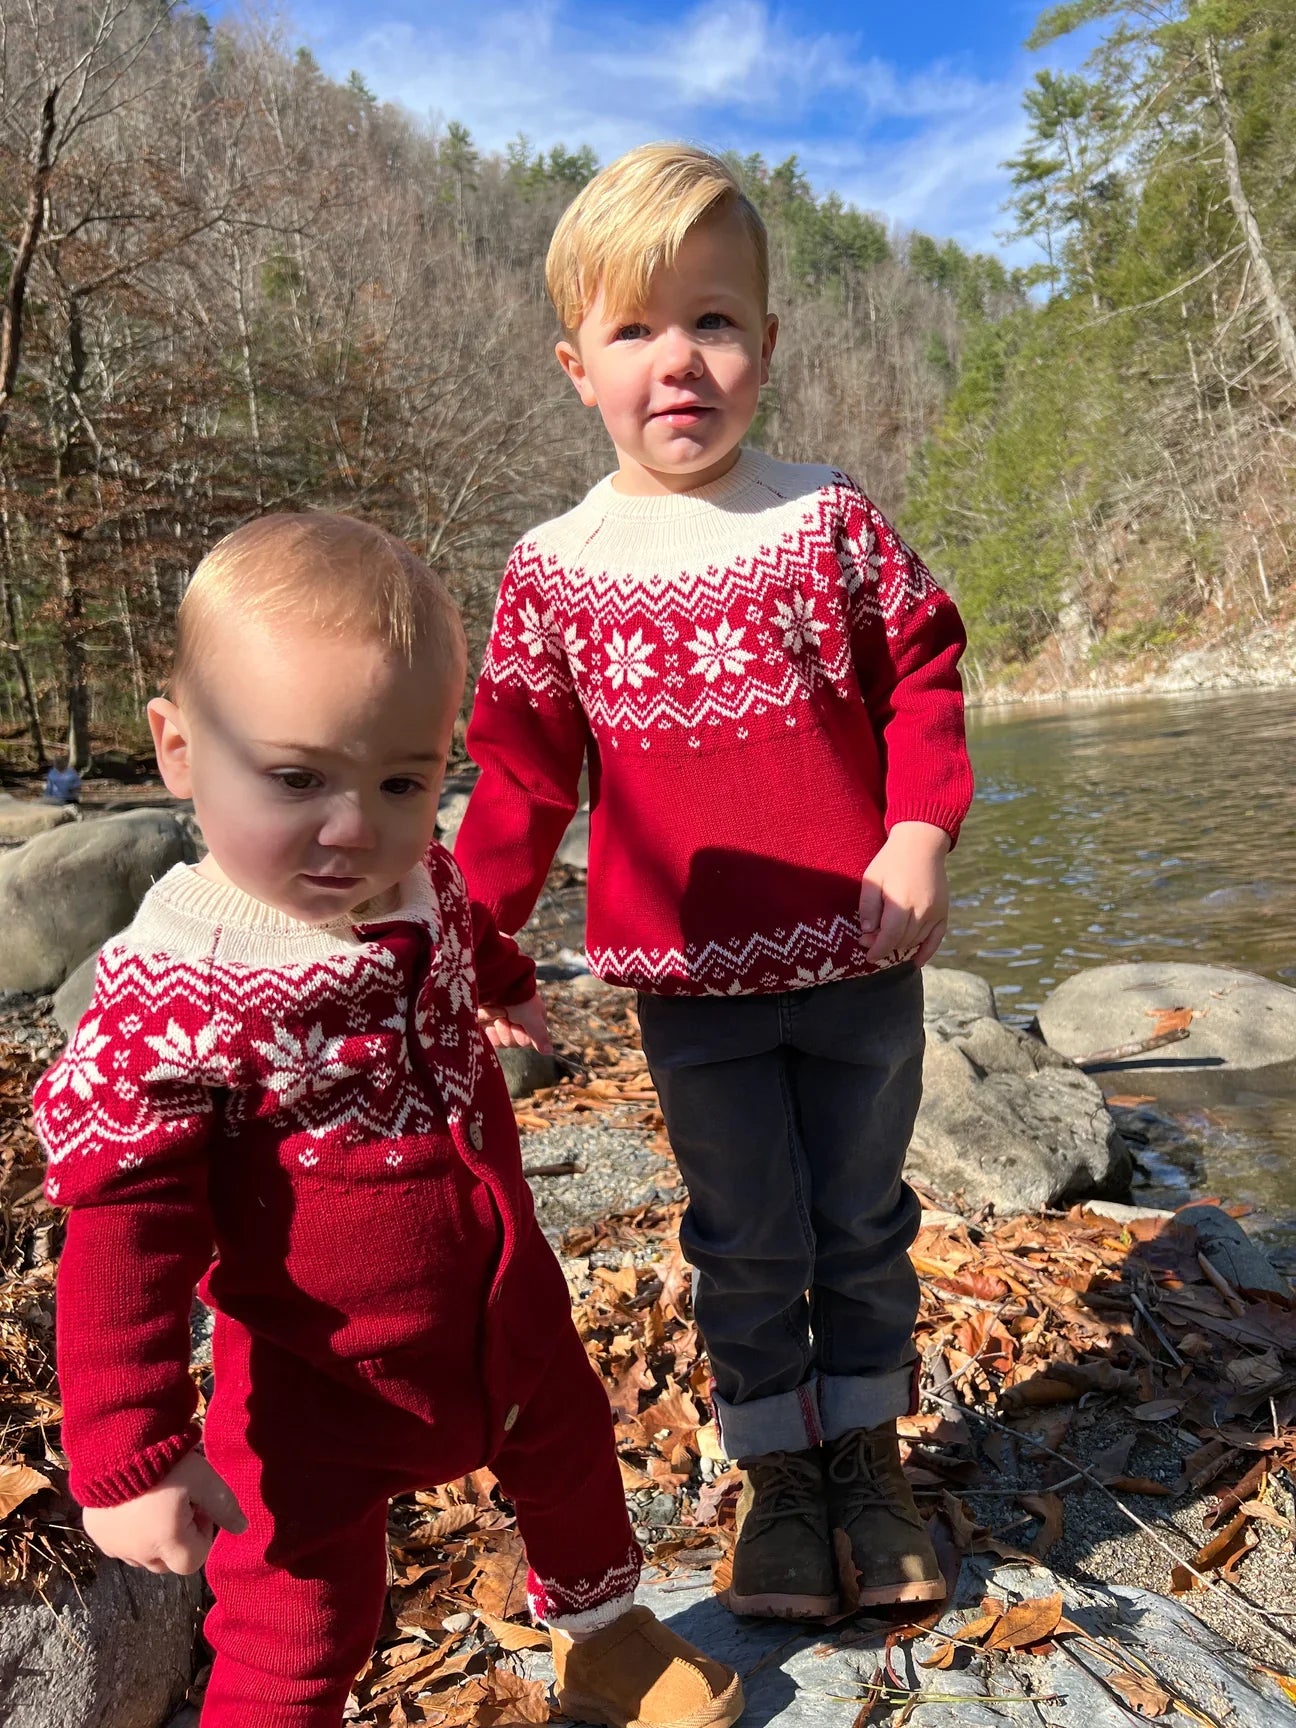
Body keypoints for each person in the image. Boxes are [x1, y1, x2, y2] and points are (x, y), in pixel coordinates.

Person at [32, 513, 744, 1728]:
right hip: (319, 1385)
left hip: (506, 1313)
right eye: (299, 778)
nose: (356, 825)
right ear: (178, 749)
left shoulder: (419, 882)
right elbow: (125, 1235)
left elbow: (470, 930)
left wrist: (511, 988)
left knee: (573, 1467)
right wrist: (128, 1451)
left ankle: (601, 1638)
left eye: (403, 780)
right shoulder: (176, 992)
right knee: (297, 1618)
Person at [454, 144, 975, 1622]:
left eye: (717, 321)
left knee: (863, 1219)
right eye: (636, 330)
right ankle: (780, 1481)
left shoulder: (826, 518)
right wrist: (468, 944)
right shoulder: (557, 568)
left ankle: (866, 1454)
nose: (679, 362)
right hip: (691, 992)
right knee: (746, 1234)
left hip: (862, 967)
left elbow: (925, 677)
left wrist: (920, 829)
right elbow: (524, 782)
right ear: (577, 367)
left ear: (766, 343)